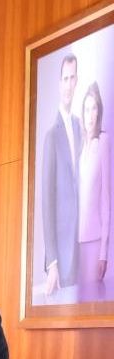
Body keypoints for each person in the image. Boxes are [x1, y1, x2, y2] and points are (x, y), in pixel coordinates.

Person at [41, 52, 81, 300]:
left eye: (72, 78)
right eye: (65, 79)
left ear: (77, 81)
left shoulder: (80, 126)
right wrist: (52, 261)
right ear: (59, 83)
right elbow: (47, 202)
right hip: (62, 257)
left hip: (81, 247)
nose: (68, 84)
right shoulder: (51, 136)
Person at [78, 82, 110, 300]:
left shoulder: (103, 141)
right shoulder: (81, 147)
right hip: (78, 243)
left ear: (99, 112)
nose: (90, 115)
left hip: (95, 241)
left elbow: (106, 200)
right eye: (87, 109)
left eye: (94, 108)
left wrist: (103, 254)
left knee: (92, 302)